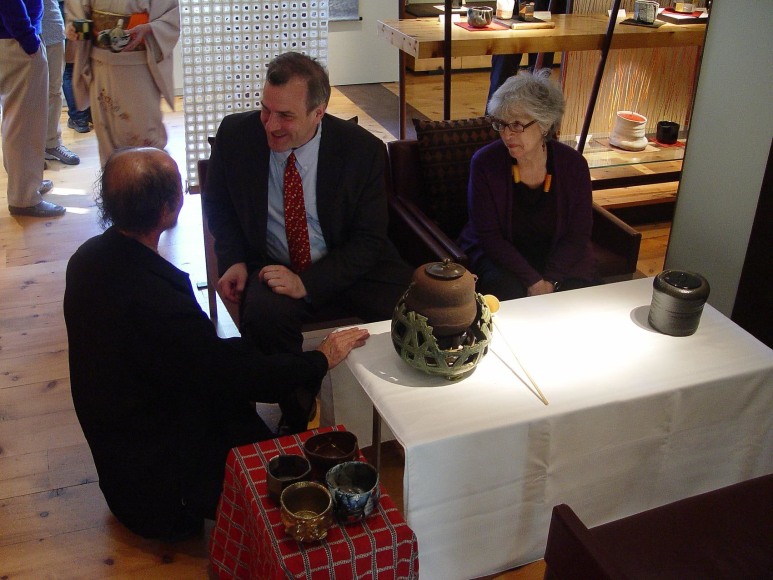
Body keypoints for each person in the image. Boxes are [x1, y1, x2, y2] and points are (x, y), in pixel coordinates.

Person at [63, 147, 369, 542]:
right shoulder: (158, 301)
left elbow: (192, 359)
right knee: (291, 479)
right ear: (168, 209)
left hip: (123, 466)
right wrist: (319, 359)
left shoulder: (85, 260)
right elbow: (231, 376)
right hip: (162, 499)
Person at [203, 52, 412, 355]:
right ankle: (297, 399)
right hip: (273, 266)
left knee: (421, 307)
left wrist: (308, 283)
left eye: (285, 116)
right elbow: (218, 205)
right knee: (264, 318)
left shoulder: (362, 150)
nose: (270, 125)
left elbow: (369, 240)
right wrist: (233, 258)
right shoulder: (236, 136)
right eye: (265, 109)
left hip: (346, 263)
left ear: (319, 112)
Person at [458, 70, 600, 300]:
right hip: (503, 258)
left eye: (516, 125)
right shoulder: (485, 163)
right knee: (507, 291)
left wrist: (551, 279)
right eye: (501, 124)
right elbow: (489, 236)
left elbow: (578, 233)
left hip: (557, 255)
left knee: (577, 295)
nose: (507, 135)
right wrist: (533, 281)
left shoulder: (573, 165)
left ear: (544, 124)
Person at [64, 0, 179, 164]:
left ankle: (148, 184)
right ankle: (114, 184)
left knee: (144, 134)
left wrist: (149, 28)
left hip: (138, 65)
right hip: (100, 63)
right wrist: (73, 28)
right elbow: (78, 14)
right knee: (107, 135)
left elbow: (170, 17)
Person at [1, 0, 66, 217]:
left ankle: (28, 183)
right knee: (24, 123)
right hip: (16, 40)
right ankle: (24, 198)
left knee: (19, 120)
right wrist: (28, 38)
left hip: (13, 37)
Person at [487, 0, 567, 111]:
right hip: (511, 9)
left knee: (539, 79)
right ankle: (493, 121)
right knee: (502, 72)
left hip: (546, 8)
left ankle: (537, 122)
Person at [42, 0, 80, 165]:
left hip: (53, 27)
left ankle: (51, 143)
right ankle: (29, 152)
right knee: (26, 97)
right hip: (18, 31)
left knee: (54, 91)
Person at [59, 0, 91, 133]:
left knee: (71, 69)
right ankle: (85, 115)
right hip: (77, 12)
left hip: (68, 12)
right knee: (82, 62)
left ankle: (79, 118)